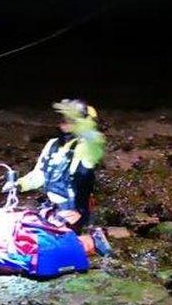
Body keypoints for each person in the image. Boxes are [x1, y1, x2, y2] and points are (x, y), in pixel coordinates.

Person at [6, 99, 107, 239]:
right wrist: (19, 184)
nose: (65, 121)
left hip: (75, 211)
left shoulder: (86, 147)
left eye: (71, 118)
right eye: (63, 117)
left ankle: (87, 240)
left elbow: (95, 142)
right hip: (51, 207)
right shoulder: (52, 144)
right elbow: (40, 174)